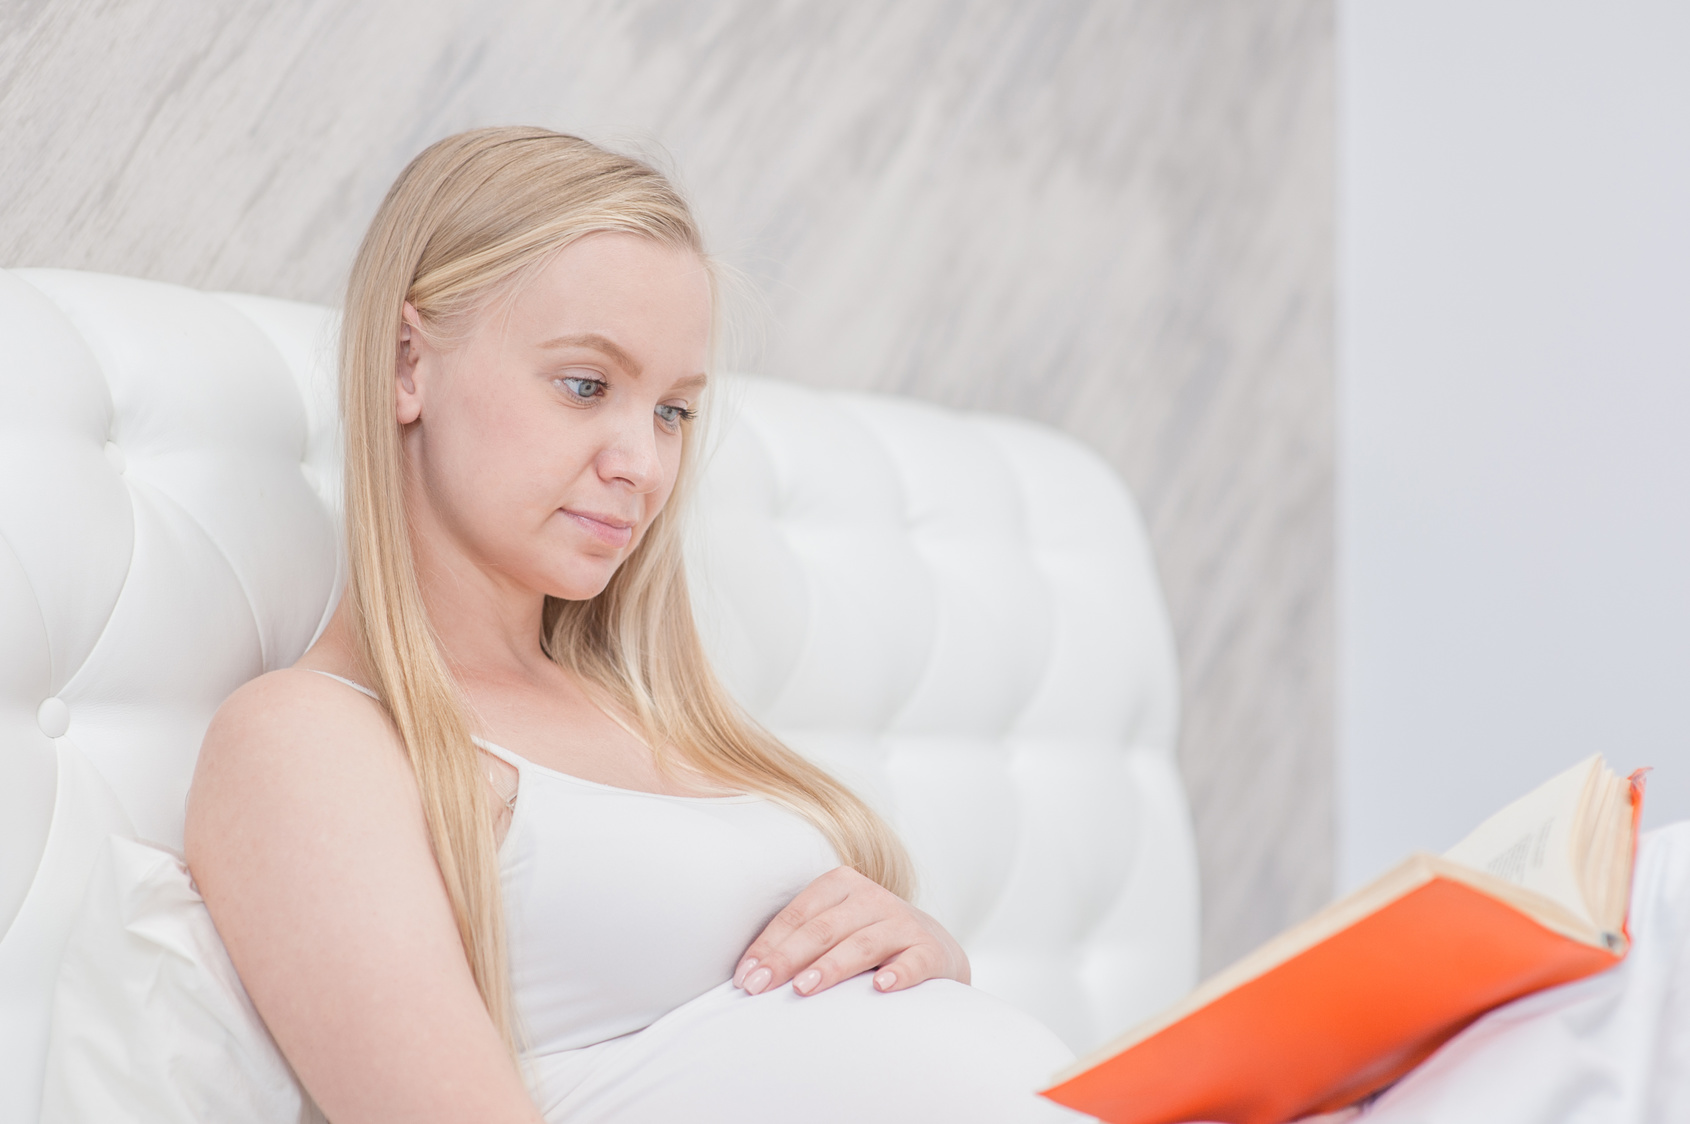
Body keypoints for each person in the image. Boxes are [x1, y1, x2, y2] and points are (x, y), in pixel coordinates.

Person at [184, 126, 1080, 1124]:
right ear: (407, 364)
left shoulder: (654, 714)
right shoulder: (312, 740)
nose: (643, 465)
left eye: (672, 412)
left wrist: (920, 962)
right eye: (586, 385)